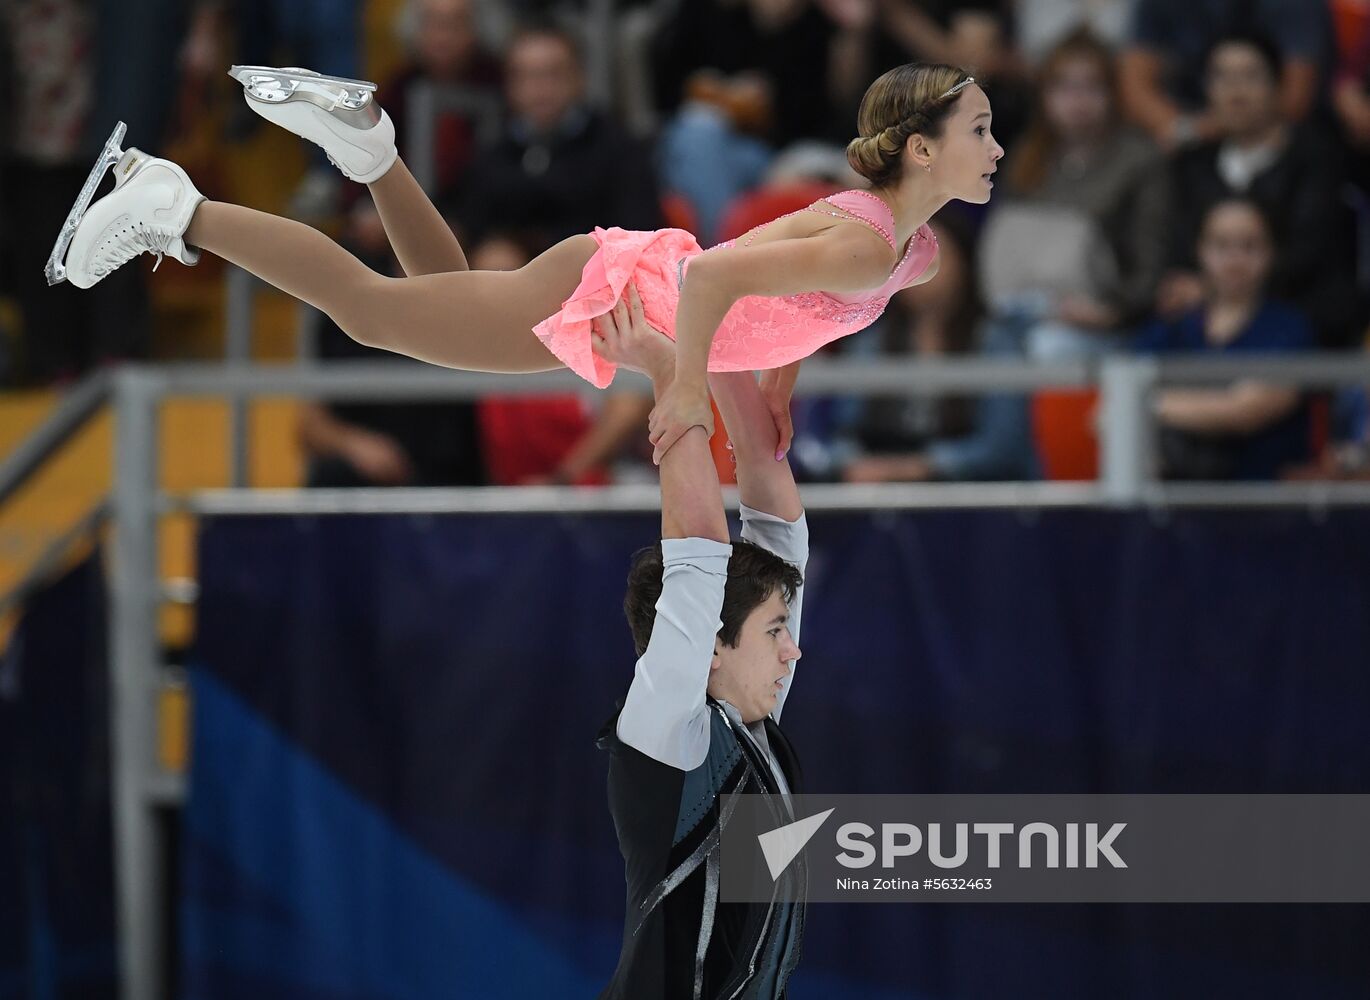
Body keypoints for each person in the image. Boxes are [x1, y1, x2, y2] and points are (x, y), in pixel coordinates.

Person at [52, 61, 1001, 462]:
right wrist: (682, 397)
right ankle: (177, 206)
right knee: (374, 314)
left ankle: (368, 145)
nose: (997, 148)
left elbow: (775, 285)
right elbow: (717, 277)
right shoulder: (873, 242)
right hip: (624, 301)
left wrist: (778, 384)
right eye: (981, 131)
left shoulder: (910, 253)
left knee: (427, 301)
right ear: (921, 148)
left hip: (629, 288)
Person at [589, 285, 809, 999]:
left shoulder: (752, 729)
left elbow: (779, 525)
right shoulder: (669, 739)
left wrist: (720, 345)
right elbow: (698, 558)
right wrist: (667, 371)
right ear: (711, 647)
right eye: (776, 632)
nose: (794, 650)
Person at [1158, 31, 1360, 346]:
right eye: (1222, 77)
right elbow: (1179, 245)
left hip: (1302, 324)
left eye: (1250, 76)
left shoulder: (1318, 159)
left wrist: (1218, 286)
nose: (1236, 91)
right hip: (1205, 326)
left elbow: (1310, 254)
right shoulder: (1192, 166)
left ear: (1278, 86)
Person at [1137, 197, 1315, 481]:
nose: (1235, 260)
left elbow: (1248, 410)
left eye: (1249, 246)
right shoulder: (1173, 326)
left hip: (1263, 502)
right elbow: (1109, 413)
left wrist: (1153, 405)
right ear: (1200, 250)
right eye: (1221, 245)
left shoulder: (1288, 327)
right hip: (1171, 504)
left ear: (1272, 253)